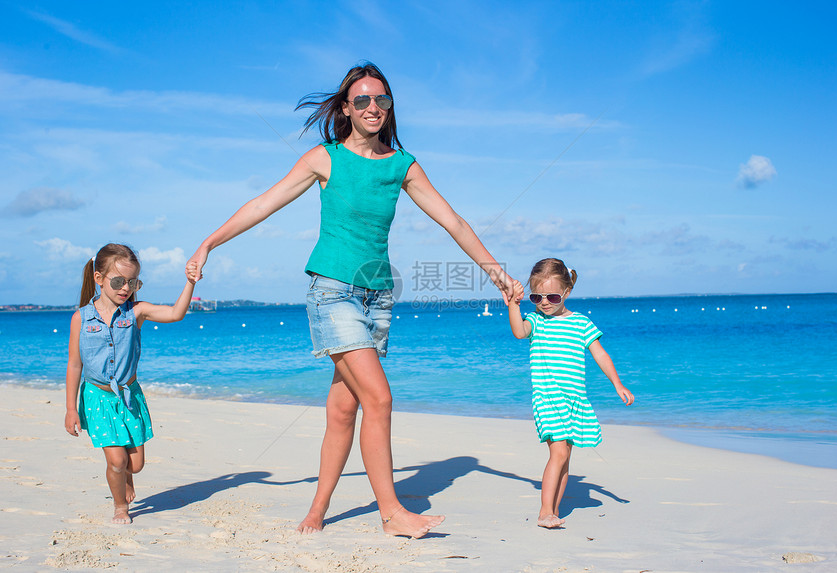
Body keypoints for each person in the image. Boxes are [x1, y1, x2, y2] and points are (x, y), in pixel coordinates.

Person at [186, 63, 514, 538]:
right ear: (346, 108)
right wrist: (208, 243)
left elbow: (454, 222)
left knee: (344, 409)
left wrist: (495, 271)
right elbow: (263, 203)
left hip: (378, 299)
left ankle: (316, 513)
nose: (373, 108)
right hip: (333, 293)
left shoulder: (403, 165)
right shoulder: (325, 158)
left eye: (381, 100)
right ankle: (391, 513)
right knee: (379, 398)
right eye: (361, 101)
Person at [65, 243, 198, 524]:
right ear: (98, 278)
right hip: (97, 398)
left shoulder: (135, 312)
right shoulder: (81, 318)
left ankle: (127, 479)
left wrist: (189, 282)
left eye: (132, 282)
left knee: (135, 466)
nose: (125, 288)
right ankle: (119, 507)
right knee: (116, 461)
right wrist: (70, 409)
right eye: (118, 281)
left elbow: (176, 313)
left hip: (129, 397)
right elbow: (75, 364)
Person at [507, 257, 633, 529]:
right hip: (547, 397)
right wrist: (513, 305)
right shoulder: (536, 322)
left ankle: (554, 509)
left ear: (567, 292)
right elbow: (519, 332)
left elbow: (600, 354)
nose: (544, 302)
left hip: (574, 399)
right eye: (536, 297)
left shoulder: (581, 324)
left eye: (552, 296)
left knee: (565, 457)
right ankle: (544, 512)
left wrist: (617, 384)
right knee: (559, 453)